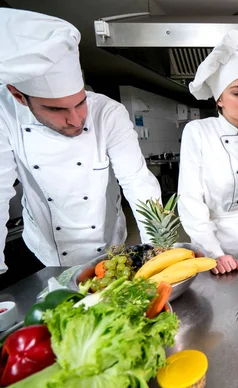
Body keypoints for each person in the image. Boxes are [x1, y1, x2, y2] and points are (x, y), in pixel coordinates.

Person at [0, 9, 162, 273]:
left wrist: (156, 247)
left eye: (80, 102)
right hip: (48, 252)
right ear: (19, 96)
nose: (76, 120)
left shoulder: (107, 112)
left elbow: (136, 180)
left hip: (109, 247)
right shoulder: (4, 114)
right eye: (56, 110)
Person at [178, 30, 238, 274]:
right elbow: (191, 201)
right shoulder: (198, 132)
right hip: (214, 244)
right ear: (219, 100)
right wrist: (214, 254)